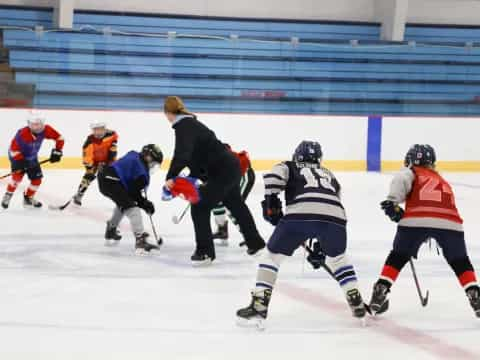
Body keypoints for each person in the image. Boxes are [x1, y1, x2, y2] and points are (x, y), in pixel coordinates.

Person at [236, 141, 366, 327]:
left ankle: (259, 305)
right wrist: (321, 245)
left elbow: (272, 179)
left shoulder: (288, 166)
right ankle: (356, 301)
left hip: (299, 216)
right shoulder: (328, 174)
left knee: (271, 257)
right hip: (336, 219)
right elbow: (330, 203)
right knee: (338, 259)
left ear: (296, 155)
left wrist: (271, 203)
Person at [369, 144, 480, 317]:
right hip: (451, 223)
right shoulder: (442, 180)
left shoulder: (412, 171)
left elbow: (401, 180)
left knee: (398, 256)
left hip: (416, 220)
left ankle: (381, 289)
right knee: (460, 261)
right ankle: (474, 292)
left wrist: (393, 203)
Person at [162, 96, 265, 266]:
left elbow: (182, 155)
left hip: (222, 170)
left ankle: (205, 253)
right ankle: (256, 243)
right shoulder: (192, 124)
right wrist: (191, 178)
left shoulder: (183, 126)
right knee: (236, 204)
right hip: (231, 167)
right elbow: (195, 159)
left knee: (199, 206)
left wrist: (170, 177)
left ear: (168, 113)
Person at [98, 144, 163, 254]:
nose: (152, 166)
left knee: (124, 203)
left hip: (105, 177)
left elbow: (130, 191)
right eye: (153, 163)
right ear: (148, 157)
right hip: (112, 181)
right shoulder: (142, 173)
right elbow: (133, 192)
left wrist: (143, 202)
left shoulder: (134, 154)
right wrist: (145, 204)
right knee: (133, 210)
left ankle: (111, 229)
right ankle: (140, 240)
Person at [2, 112, 64, 209]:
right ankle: (8, 195)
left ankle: (28, 198)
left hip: (32, 157)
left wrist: (57, 150)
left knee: (37, 180)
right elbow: (14, 150)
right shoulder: (22, 134)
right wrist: (21, 164)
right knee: (17, 178)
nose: (36, 127)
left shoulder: (46, 129)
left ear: (43, 123)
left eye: (39, 124)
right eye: (33, 124)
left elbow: (60, 138)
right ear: (29, 124)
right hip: (17, 156)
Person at [212, 145, 256, 246]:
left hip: (244, 176)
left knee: (233, 207)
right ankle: (222, 230)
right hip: (234, 177)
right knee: (216, 202)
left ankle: (249, 236)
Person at [73, 122, 118, 206]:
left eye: (100, 130)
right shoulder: (90, 140)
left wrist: (109, 162)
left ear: (104, 129)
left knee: (112, 180)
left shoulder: (112, 135)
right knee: (87, 178)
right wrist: (90, 169)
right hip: (94, 162)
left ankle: (118, 199)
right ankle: (79, 194)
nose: (98, 132)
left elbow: (113, 149)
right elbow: (87, 156)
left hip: (107, 161)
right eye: (95, 130)